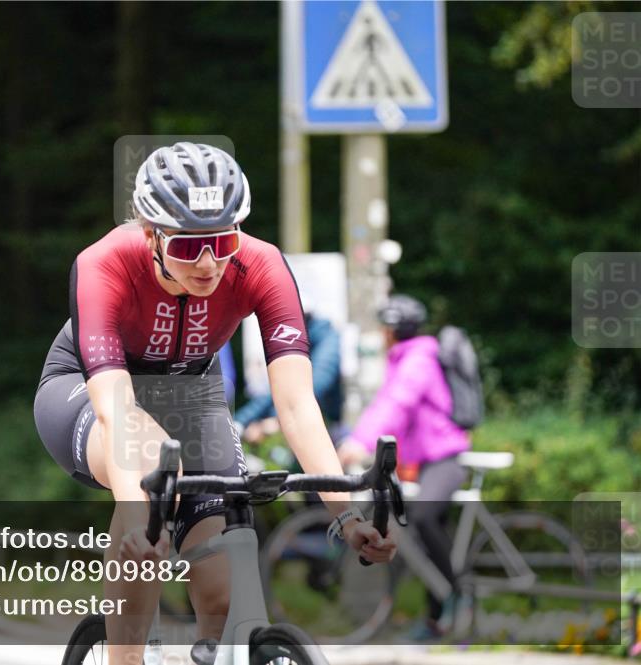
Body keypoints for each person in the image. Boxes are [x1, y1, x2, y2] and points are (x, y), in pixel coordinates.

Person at [34, 142, 396, 664]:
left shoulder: (260, 265)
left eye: (222, 241)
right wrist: (138, 518)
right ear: (151, 234)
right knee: (152, 459)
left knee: (222, 595)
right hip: (90, 393)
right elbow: (117, 409)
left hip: (191, 393)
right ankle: (125, 658)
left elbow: (296, 405)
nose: (208, 263)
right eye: (187, 248)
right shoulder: (105, 263)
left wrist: (347, 516)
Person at [338, 294, 471, 641]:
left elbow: (396, 403)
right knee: (424, 535)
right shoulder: (408, 358)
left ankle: (460, 596)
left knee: (424, 518)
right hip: (426, 462)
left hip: (444, 460)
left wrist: (359, 443)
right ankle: (438, 621)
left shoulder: (417, 361)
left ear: (390, 331)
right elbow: (391, 405)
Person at [235, 308, 342, 444]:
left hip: (327, 423)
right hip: (299, 416)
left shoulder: (326, 338)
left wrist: (276, 419)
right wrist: (240, 422)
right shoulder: (295, 335)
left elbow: (317, 382)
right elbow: (277, 386)